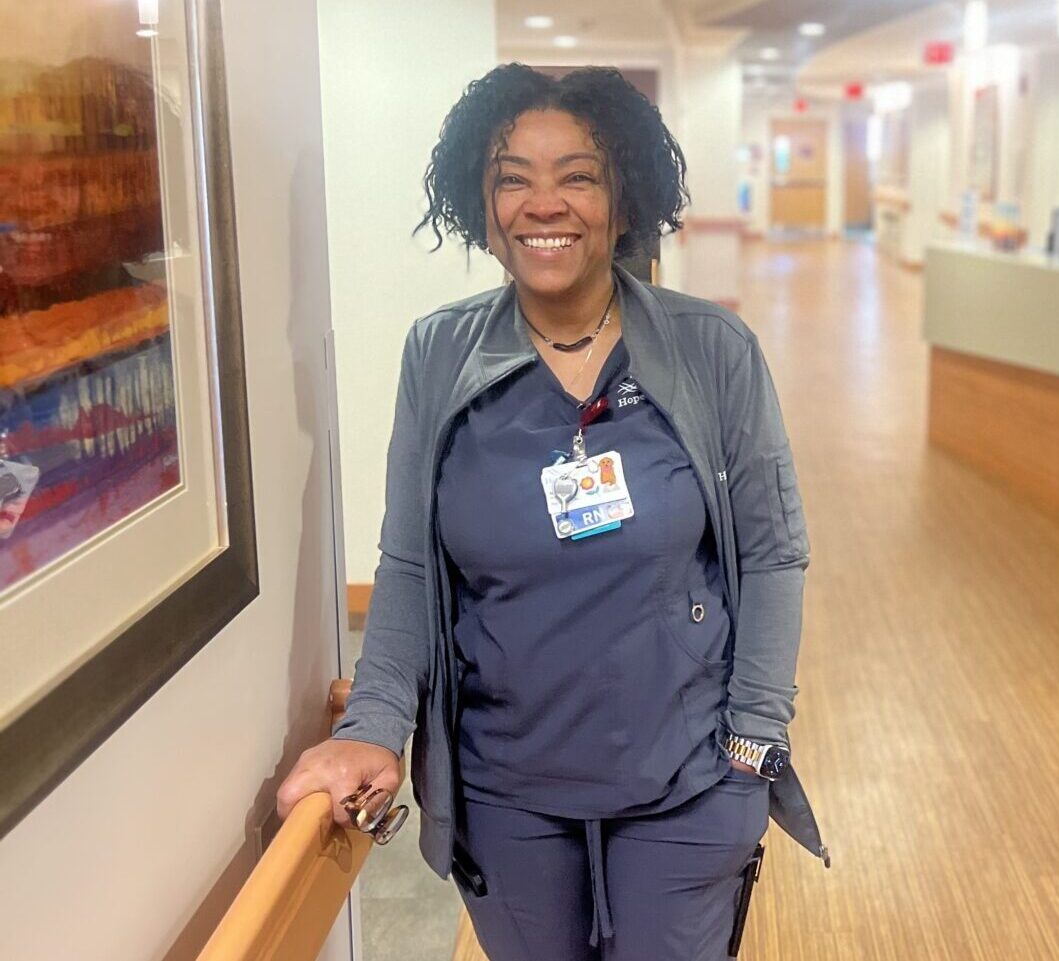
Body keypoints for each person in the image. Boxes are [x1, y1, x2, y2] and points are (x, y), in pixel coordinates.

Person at [276, 64, 826, 960]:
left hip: (687, 786)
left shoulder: (711, 349)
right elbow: (411, 564)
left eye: (578, 175)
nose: (544, 203)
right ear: (480, 202)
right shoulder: (440, 354)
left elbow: (772, 552)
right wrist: (372, 725)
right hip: (507, 801)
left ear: (622, 197)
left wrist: (755, 741)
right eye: (511, 177)